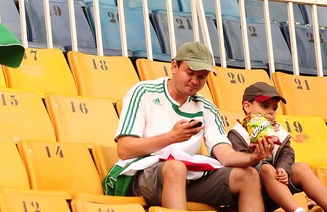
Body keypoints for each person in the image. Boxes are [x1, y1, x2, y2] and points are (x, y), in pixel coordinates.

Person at [103, 41, 273, 211]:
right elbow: (124, 149)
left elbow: (225, 155)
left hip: (187, 177)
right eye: (190, 73)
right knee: (176, 167)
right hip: (142, 174)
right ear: (174, 66)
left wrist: (254, 157)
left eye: (202, 77)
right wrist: (171, 137)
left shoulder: (207, 107)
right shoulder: (144, 92)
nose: (195, 81)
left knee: (248, 175)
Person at [228, 82, 327, 212]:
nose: (270, 112)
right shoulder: (237, 133)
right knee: (267, 169)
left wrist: (283, 169)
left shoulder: (277, 129)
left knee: (301, 167)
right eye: (264, 106)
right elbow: (239, 164)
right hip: (251, 193)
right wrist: (257, 156)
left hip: (277, 190)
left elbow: (287, 153)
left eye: (274, 108)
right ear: (247, 106)